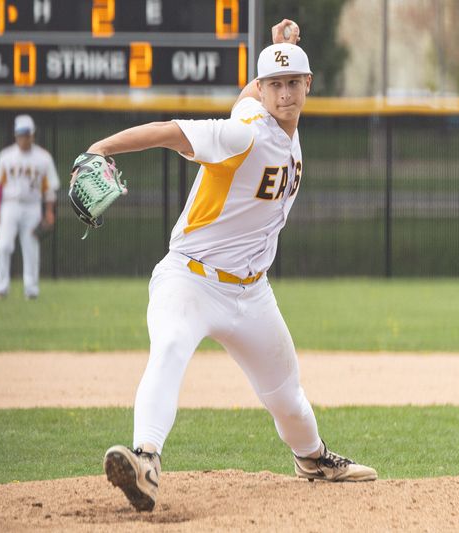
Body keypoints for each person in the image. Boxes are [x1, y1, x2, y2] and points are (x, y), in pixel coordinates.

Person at [85, 20, 377, 513]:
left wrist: (283, 48)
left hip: (252, 292)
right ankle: (145, 461)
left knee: (287, 394)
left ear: (309, 85)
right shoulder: (242, 131)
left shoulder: (274, 114)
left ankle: (312, 458)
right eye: (274, 85)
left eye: (292, 83)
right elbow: (168, 131)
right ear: (262, 91)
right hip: (191, 278)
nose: (283, 95)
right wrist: (101, 149)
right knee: (171, 347)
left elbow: (265, 83)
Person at [0, 115, 60, 300]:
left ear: (32, 135)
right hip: (9, 205)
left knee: (31, 248)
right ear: (15, 135)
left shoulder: (43, 158)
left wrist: (49, 211)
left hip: (32, 206)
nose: (24, 138)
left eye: (26, 134)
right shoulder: (6, 156)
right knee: (3, 245)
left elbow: (50, 188)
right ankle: (1, 287)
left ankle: (31, 289)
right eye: (20, 134)